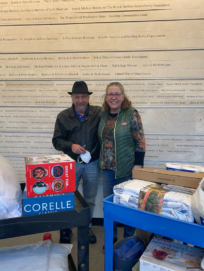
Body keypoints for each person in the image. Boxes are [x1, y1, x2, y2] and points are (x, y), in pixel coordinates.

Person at [52, 81, 101, 244]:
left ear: (88, 98)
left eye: (84, 96)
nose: (80, 100)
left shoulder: (99, 113)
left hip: (92, 163)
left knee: (90, 199)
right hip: (71, 164)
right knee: (67, 197)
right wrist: (70, 146)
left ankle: (86, 227)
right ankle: (66, 228)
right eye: (77, 97)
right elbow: (56, 141)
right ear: (72, 98)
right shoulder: (63, 116)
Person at [98, 82, 146, 248]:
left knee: (128, 207)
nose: (114, 97)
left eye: (117, 94)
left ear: (123, 96)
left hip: (127, 169)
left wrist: (138, 166)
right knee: (109, 207)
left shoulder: (131, 113)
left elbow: (140, 140)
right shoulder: (103, 115)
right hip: (108, 170)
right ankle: (111, 238)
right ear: (106, 97)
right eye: (110, 94)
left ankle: (128, 238)